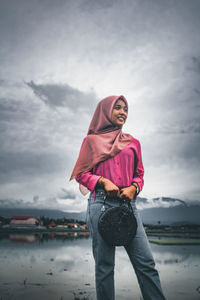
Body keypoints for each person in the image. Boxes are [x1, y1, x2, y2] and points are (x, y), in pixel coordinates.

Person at [70, 95, 166, 300]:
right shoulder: (91, 141)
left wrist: (134, 187)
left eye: (126, 109)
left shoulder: (133, 143)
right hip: (101, 204)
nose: (123, 112)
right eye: (117, 108)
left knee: (146, 263)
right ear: (105, 111)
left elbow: (139, 174)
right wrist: (103, 182)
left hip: (129, 205)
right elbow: (81, 174)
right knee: (105, 267)